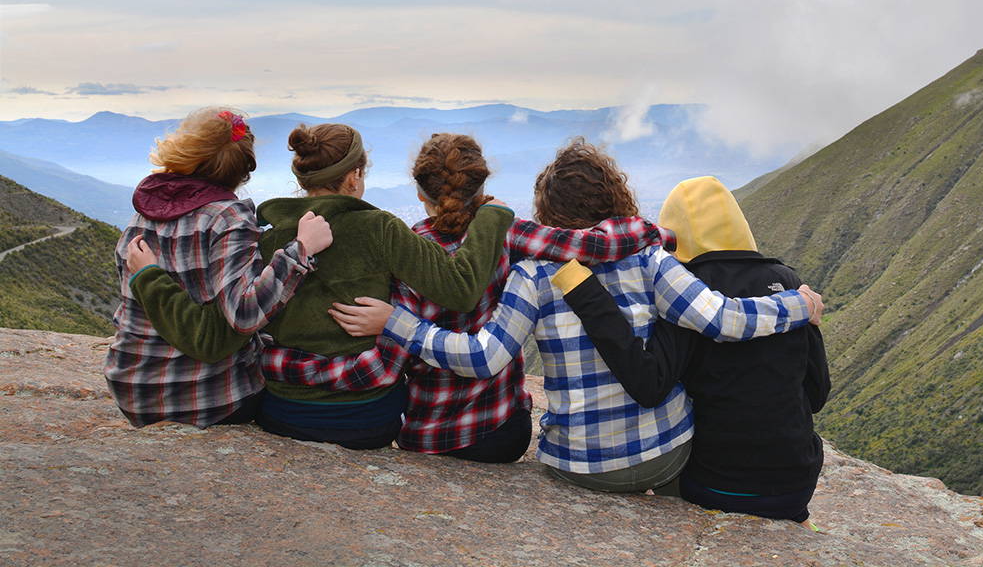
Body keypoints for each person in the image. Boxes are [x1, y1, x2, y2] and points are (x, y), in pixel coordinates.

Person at [367, 138, 823, 492]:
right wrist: (796, 304)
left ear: (547, 212)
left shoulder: (534, 273)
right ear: (614, 196)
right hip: (664, 452)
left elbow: (484, 358)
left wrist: (399, 323)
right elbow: (723, 320)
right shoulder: (649, 255)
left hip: (577, 463)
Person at [261, 132, 673, 464]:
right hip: (504, 433)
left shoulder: (406, 250)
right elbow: (592, 245)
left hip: (427, 434)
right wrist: (665, 236)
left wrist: (279, 362)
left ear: (421, 193)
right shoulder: (512, 235)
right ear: (480, 187)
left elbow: (385, 369)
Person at [131, 122, 516, 449]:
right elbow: (461, 288)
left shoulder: (265, 235)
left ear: (301, 178)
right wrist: (491, 217)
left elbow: (237, 321)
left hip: (282, 413)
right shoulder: (380, 228)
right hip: (367, 420)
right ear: (355, 176)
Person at [555, 176, 830, 530]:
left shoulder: (684, 293)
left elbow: (652, 384)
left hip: (714, 487)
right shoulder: (789, 283)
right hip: (796, 487)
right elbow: (817, 393)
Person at [105, 107, 334, 428]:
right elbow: (245, 313)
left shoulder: (141, 217)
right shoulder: (228, 218)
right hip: (210, 398)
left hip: (133, 391)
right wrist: (301, 250)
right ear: (242, 172)